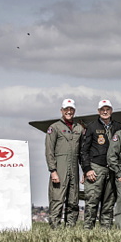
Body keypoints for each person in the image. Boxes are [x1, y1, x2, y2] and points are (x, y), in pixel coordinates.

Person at [80, 99, 121, 229]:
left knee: (109, 202)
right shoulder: (92, 127)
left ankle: (106, 229)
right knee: (92, 201)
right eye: (102, 110)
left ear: (111, 111)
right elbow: (84, 150)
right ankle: (88, 229)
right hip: (96, 168)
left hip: (112, 169)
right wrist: (87, 169)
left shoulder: (119, 127)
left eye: (107, 109)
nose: (105, 112)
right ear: (98, 111)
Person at [45, 98, 83, 229]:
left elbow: (83, 151)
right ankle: (55, 227)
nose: (69, 112)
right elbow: (49, 150)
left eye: (71, 109)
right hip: (60, 168)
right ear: (61, 110)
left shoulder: (79, 128)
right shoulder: (54, 128)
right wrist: (53, 171)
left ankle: (70, 227)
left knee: (73, 199)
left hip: (74, 168)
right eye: (66, 109)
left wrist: (85, 170)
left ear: (74, 111)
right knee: (57, 199)